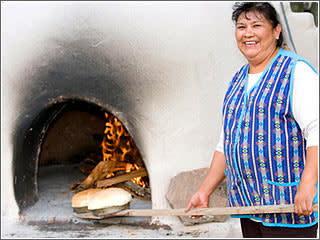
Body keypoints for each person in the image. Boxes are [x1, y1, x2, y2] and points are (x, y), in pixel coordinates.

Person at [185, 2, 318, 238]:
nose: (248, 33)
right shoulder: (237, 80)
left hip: (288, 205)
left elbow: (317, 130)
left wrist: (308, 183)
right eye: (241, 26)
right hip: (250, 207)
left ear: (276, 31)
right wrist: (204, 191)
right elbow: (226, 143)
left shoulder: (296, 72)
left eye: (257, 25)